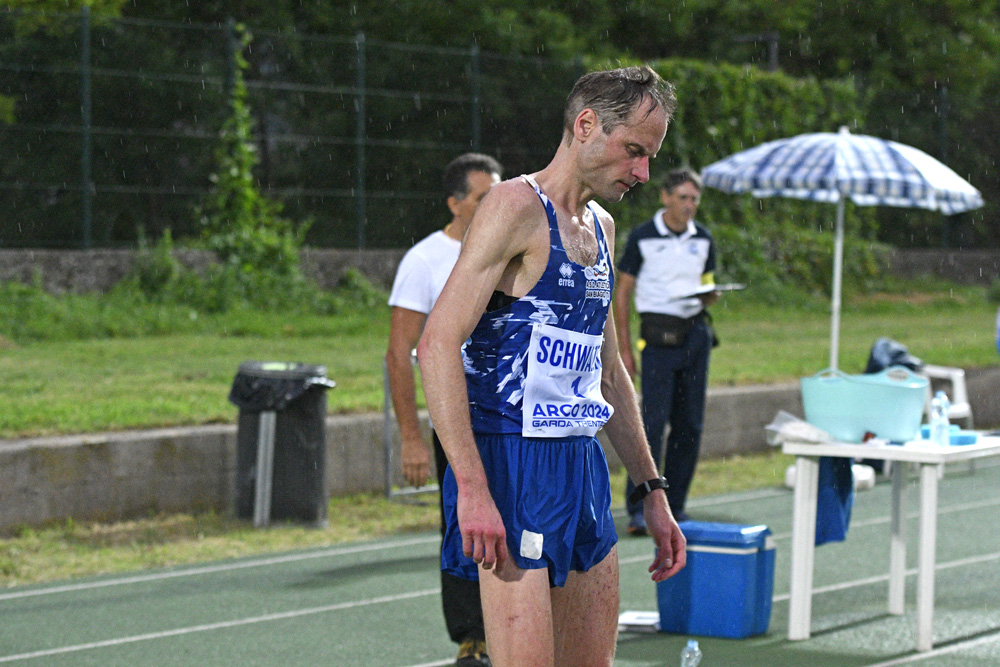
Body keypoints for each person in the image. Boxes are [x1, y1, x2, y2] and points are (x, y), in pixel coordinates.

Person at [417, 66, 687, 667]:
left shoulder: (604, 227)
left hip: (580, 463)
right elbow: (437, 345)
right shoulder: (515, 206)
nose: (643, 173)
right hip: (511, 465)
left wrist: (651, 489)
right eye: (634, 151)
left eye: (650, 157)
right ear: (586, 125)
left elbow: (609, 375)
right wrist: (472, 488)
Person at [385, 152, 502, 667]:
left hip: (511, 418)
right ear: (455, 204)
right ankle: (471, 638)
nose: (494, 204)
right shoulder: (425, 260)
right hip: (457, 420)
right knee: (462, 527)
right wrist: (412, 436)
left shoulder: (510, 250)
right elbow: (399, 352)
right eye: (482, 197)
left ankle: (517, 625)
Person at [614, 168, 720, 533]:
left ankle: (676, 505)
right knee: (651, 424)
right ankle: (639, 507)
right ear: (665, 197)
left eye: (694, 199)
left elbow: (706, 282)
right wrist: (624, 349)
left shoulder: (703, 238)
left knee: (690, 424)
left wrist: (710, 294)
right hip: (657, 339)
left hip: (695, 336)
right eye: (683, 197)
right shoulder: (643, 237)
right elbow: (622, 293)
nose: (689, 205)